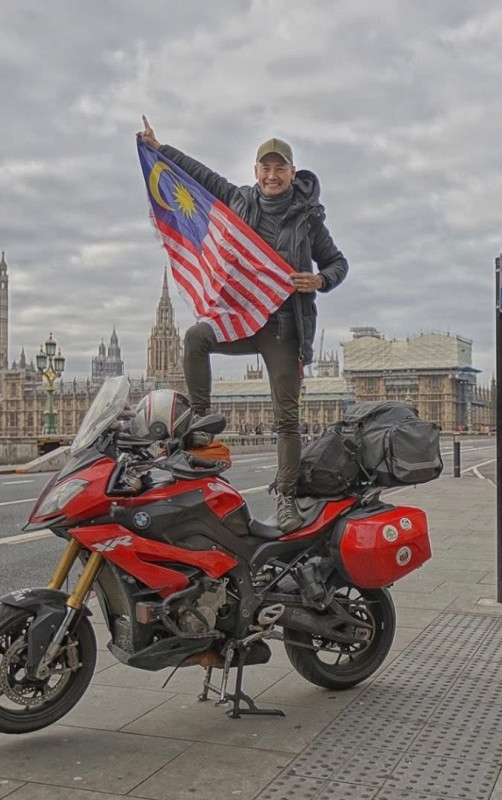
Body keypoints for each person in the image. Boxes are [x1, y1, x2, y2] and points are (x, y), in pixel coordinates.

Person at [137, 116, 349, 531]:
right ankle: (200, 424)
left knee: (286, 419)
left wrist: (320, 280)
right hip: (242, 317)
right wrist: (160, 150)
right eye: (265, 168)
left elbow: (338, 263)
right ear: (256, 172)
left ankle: (287, 497)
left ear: (291, 173)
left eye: (280, 168)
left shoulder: (308, 220)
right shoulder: (239, 201)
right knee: (196, 336)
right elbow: (199, 176)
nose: (272, 175)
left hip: (285, 327)